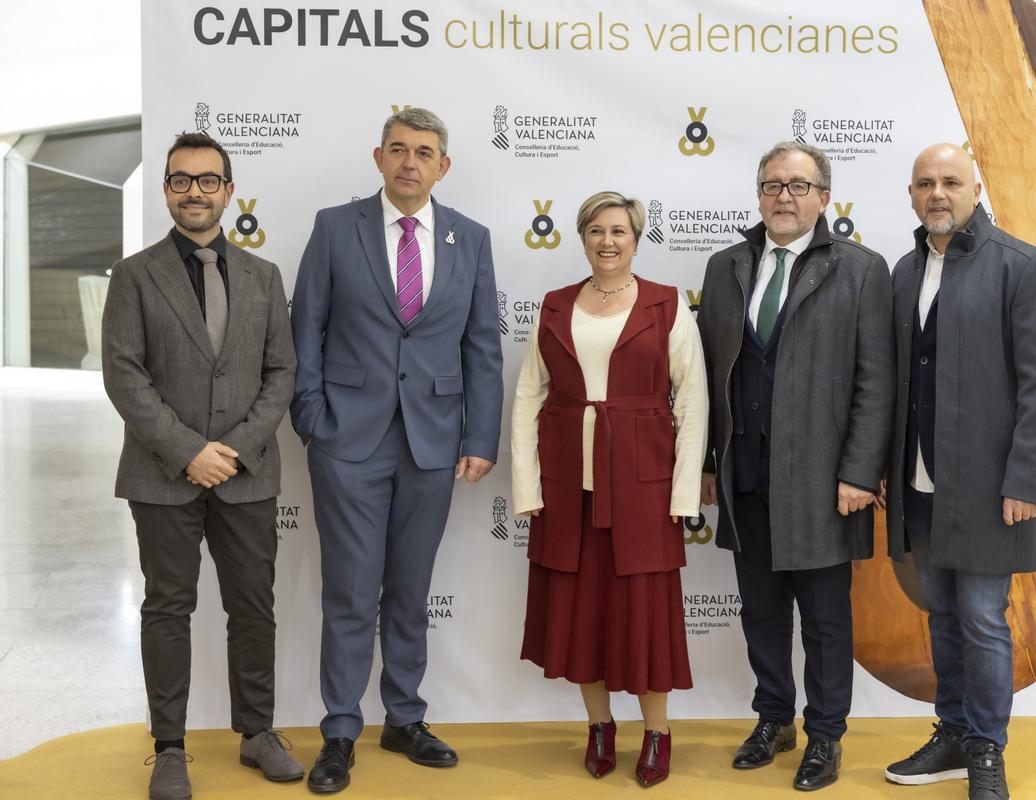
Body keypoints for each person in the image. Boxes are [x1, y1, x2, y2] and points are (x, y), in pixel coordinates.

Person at [290, 107, 503, 794]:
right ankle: (341, 728)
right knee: (351, 591)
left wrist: (479, 436)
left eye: (425, 152)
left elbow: (483, 345)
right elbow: (307, 330)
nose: (411, 162)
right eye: (399, 149)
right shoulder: (334, 227)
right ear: (378, 158)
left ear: (444, 166)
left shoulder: (469, 237)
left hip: (434, 442)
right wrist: (313, 420)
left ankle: (404, 717)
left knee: (410, 592)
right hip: (346, 439)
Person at [101, 132, 300, 800]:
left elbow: (282, 373)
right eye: (181, 180)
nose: (194, 191)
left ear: (228, 190)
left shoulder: (264, 278)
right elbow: (124, 376)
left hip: (247, 474)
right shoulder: (133, 276)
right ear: (165, 190)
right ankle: (168, 749)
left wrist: (233, 451)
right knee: (167, 608)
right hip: (162, 474)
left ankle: (257, 734)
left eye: (207, 180)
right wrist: (188, 450)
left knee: (252, 608)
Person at [696, 142, 894, 792]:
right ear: (759, 195)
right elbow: (703, 378)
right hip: (745, 475)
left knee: (827, 620)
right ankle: (774, 718)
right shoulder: (725, 268)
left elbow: (876, 382)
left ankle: (826, 735)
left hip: (824, 483)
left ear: (824, 197)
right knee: (761, 613)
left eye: (799, 185)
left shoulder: (861, 270)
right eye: (773, 184)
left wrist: (861, 473)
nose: (785, 196)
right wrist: (704, 464)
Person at [880, 143, 1036, 800]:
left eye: (951, 182)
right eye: (926, 183)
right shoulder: (903, 273)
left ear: (976, 189)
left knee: (984, 619)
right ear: (911, 194)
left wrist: (1024, 482)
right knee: (942, 615)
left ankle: (987, 750)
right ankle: (953, 733)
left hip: (990, 490)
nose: (938, 193)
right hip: (919, 487)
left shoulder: (1024, 267)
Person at [510, 191, 707, 788]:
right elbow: (527, 397)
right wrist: (528, 487)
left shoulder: (666, 304)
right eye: (596, 230)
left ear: (636, 237)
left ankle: (657, 732)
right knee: (578, 615)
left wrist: (683, 496)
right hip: (569, 487)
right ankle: (599, 727)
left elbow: (692, 401)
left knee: (645, 617)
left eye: (619, 230)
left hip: (644, 486)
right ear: (582, 237)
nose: (607, 241)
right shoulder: (554, 306)